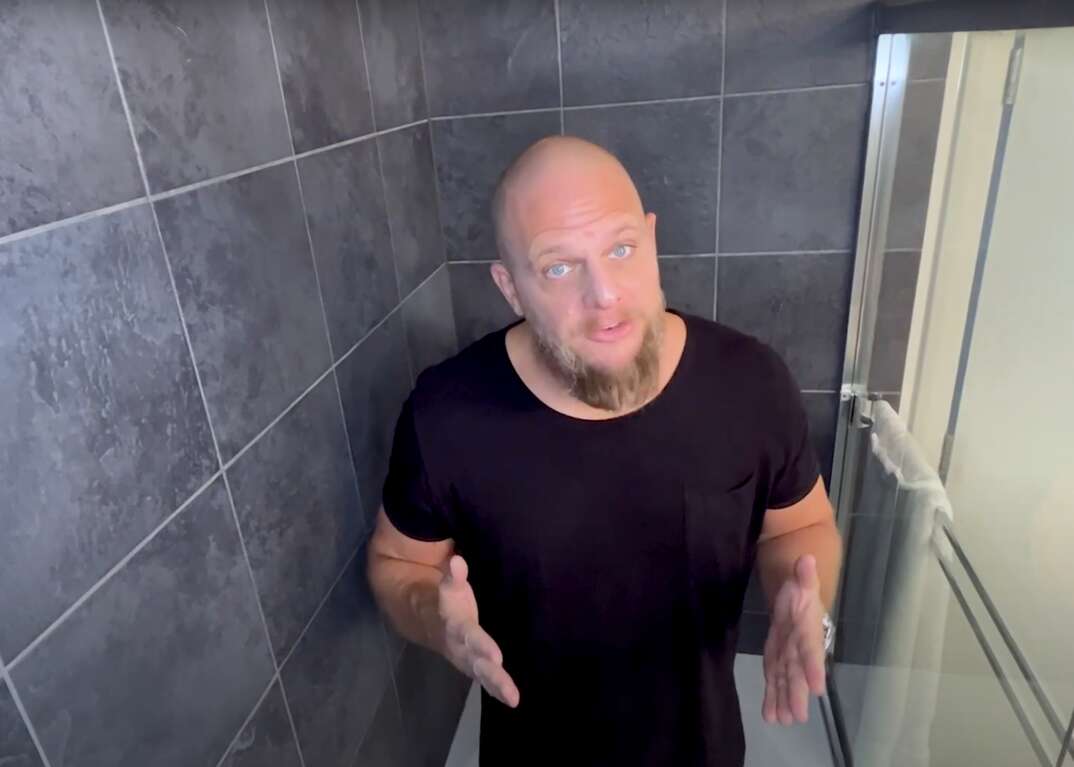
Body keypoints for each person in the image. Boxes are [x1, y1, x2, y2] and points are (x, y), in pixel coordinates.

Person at [367, 135, 843, 766]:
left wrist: (801, 602)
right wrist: (436, 619)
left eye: (621, 249)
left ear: (651, 238)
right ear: (510, 288)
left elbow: (803, 525)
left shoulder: (751, 383)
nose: (605, 294)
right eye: (559, 267)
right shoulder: (445, 415)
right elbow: (395, 563)